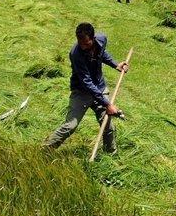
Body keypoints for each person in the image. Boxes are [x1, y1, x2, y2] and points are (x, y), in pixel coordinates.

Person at [43, 22, 129, 153]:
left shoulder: (101, 39)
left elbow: (101, 53)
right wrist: (107, 104)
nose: (83, 47)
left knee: (107, 125)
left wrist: (115, 64)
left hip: (99, 88)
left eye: (87, 44)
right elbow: (86, 82)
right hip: (82, 91)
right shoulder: (75, 54)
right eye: (80, 43)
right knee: (70, 126)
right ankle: (45, 149)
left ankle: (111, 154)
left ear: (93, 38)